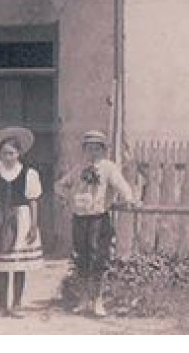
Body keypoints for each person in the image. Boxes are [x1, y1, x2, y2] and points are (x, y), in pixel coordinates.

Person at [57, 129, 138, 318]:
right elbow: (61, 184)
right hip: (80, 218)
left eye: (97, 148)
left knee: (98, 258)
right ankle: (84, 299)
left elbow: (121, 185)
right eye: (89, 148)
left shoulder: (108, 168)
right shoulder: (78, 168)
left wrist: (128, 198)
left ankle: (98, 300)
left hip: (98, 218)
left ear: (103, 150)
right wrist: (66, 196)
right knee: (82, 257)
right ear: (84, 149)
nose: (93, 152)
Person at [0, 126, 44, 318]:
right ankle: (2, 305)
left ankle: (17, 304)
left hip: (21, 218)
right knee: (1, 264)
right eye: (4, 153)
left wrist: (34, 225)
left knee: (18, 264)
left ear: (18, 153)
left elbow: (33, 201)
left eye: (11, 153)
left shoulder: (29, 173)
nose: (8, 157)